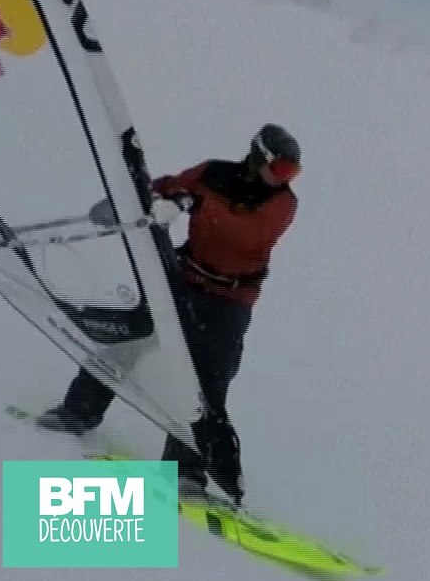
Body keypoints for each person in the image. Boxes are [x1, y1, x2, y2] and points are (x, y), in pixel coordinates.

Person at [36, 123, 301, 505]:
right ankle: (77, 413)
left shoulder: (282, 204)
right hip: (184, 282)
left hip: (231, 299)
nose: (285, 180)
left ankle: (182, 472)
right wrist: (141, 203)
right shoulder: (213, 174)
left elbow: (244, 234)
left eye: (291, 174)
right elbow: (163, 188)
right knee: (130, 342)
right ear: (259, 157)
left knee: (207, 383)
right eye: (280, 170)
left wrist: (190, 204)